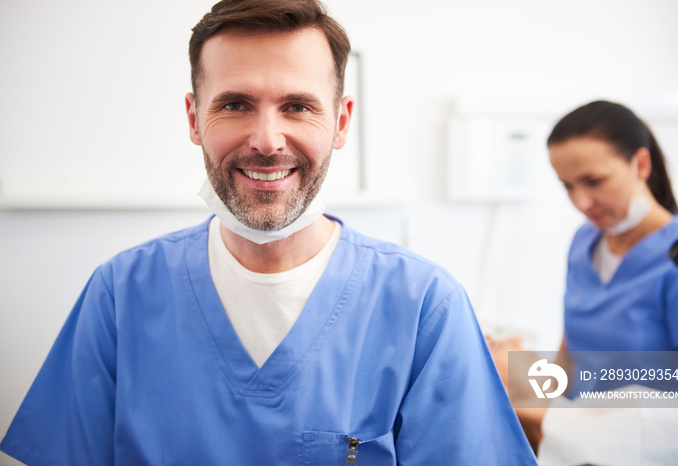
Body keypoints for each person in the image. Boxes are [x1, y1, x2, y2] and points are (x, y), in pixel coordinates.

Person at [0, 1, 537, 464]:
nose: (266, 139)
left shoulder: (423, 306)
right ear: (193, 118)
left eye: (298, 107)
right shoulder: (121, 295)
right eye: (235, 105)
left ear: (341, 121)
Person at [490, 100, 678, 451]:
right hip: (575, 442)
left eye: (593, 181)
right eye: (568, 186)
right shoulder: (583, 242)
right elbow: (570, 354)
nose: (582, 202)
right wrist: (531, 404)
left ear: (641, 164)